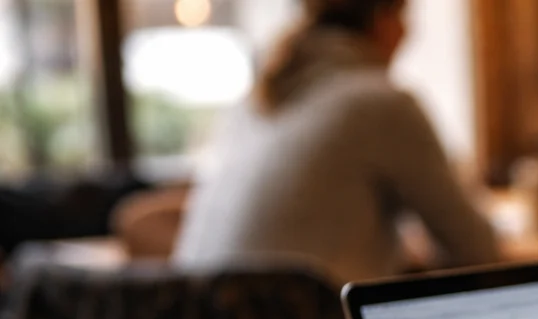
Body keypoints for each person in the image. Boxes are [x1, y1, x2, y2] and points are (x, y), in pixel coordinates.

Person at [174, 0, 498, 286]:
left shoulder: (257, 101)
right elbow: (478, 249)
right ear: (384, 20)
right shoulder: (379, 103)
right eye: (405, 16)